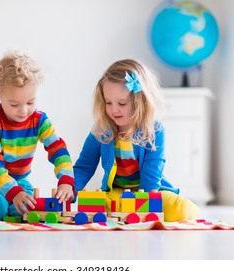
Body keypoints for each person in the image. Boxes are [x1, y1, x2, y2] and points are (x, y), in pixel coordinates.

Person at [0, 50, 75, 220]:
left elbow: (58, 149)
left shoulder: (40, 120)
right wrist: (13, 192)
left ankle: (4, 203)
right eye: (14, 104)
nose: (24, 111)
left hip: (18, 181)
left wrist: (66, 181)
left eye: (30, 102)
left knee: (28, 212)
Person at [73, 59, 200, 222]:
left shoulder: (154, 131)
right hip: (119, 192)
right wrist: (70, 187)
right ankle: (127, 213)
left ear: (140, 101)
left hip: (151, 191)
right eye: (108, 102)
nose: (114, 109)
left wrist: (144, 203)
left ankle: (133, 212)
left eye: (122, 103)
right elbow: (85, 165)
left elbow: (153, 168)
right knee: (96, 207)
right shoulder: (101, 130)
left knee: (181, 210)